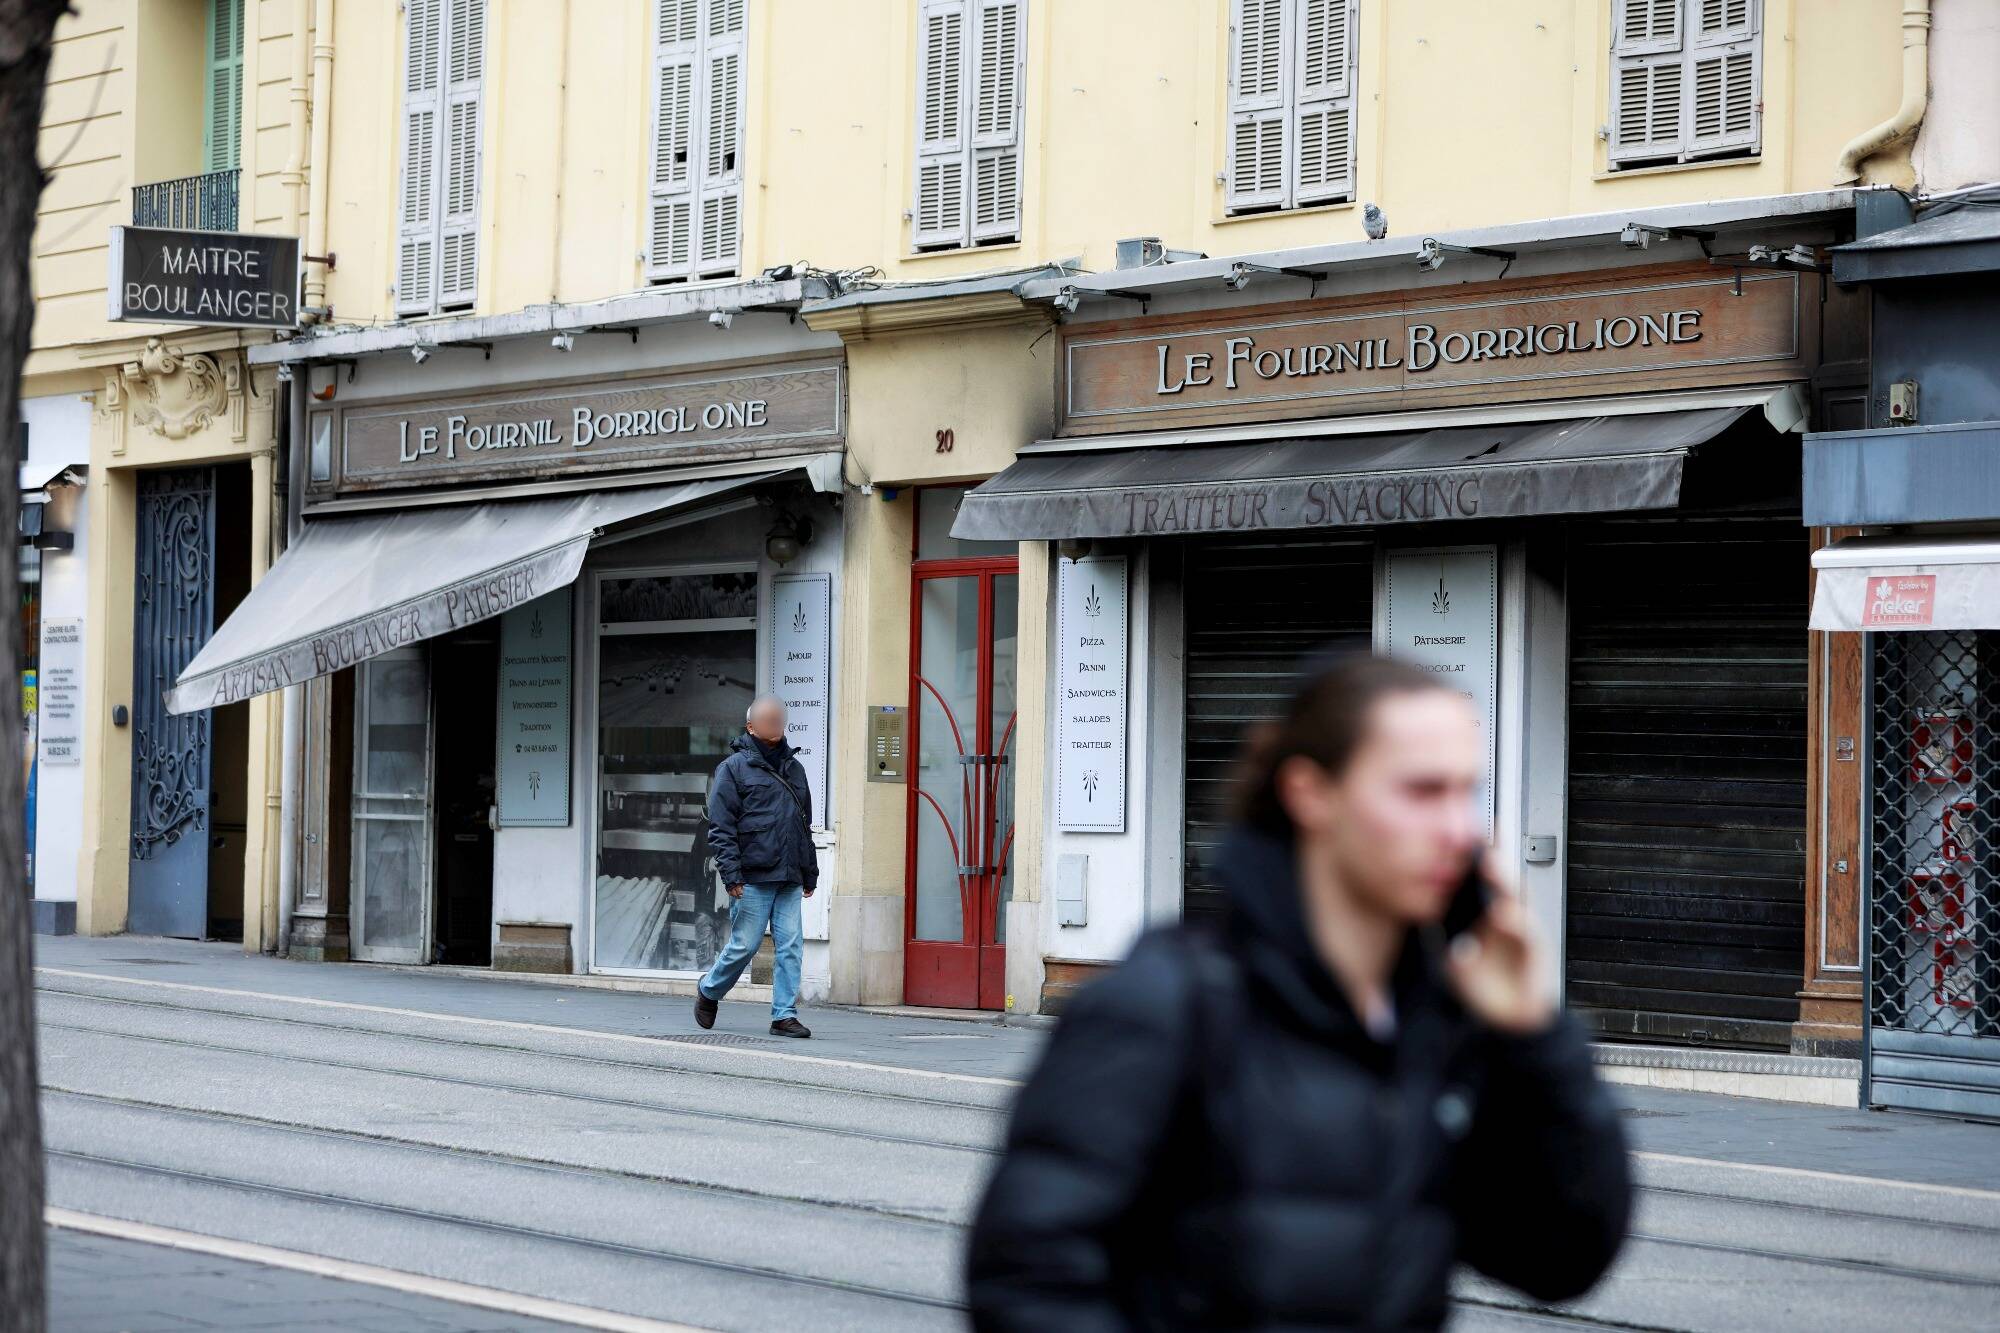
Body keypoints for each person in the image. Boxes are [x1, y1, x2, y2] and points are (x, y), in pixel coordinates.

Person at [967, 655, 1631, 1330]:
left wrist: (1536, 1037)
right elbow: (1025, 1278)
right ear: (1311, 792)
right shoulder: (1165, 1004)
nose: (1461, 830)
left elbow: (1562, 1257)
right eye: (1423, 791)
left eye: (1467, 792)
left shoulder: (1435, 1025)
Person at [694, 695, 818, 1039]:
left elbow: (802, 823)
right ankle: (710, 990)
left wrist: (810, 871)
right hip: (752, 876)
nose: (776, 725)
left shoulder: (795, 768)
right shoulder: (732, 768)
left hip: (790, 875)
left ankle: (784, 1015)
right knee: (745, 946)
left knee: (791, 945)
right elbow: (720, 827)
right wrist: (731, 874)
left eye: (779, 719)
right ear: (751, 726)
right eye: (768, 720)